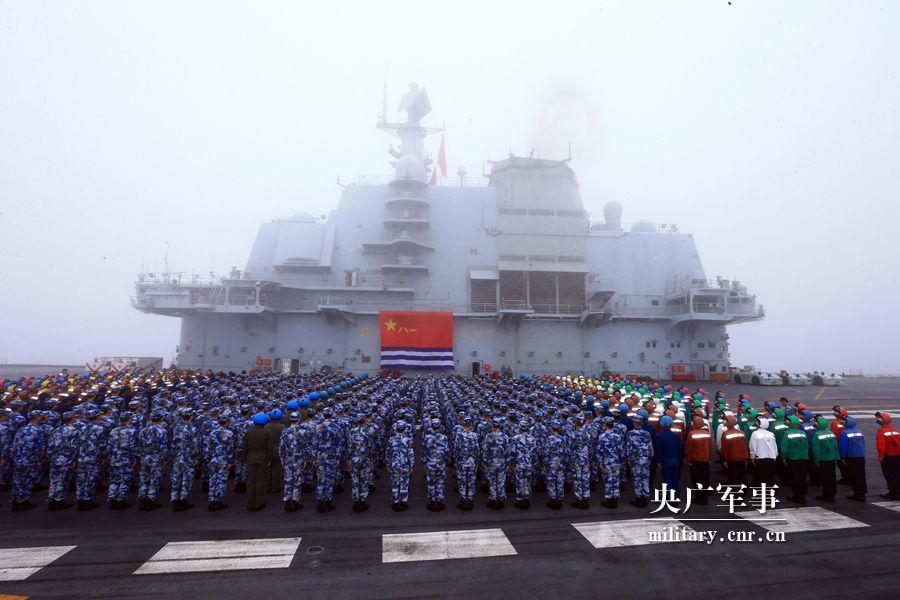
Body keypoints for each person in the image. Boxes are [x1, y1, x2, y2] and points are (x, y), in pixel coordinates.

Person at [11, 412, 47, 511]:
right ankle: (23, 501)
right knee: (27, 482)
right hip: (30, 460)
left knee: (17, 481)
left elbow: (14, 446)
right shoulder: (38, 431)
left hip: (18, 460)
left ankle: (15, 501)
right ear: (37, 418)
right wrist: (40, 459)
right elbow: (40, 448)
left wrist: (14, 458)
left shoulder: (20, 429)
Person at [47, 411, 79, 511]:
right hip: (66, 460)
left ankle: (51, 500)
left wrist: (50, 458)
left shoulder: (56, 430)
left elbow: (50, 446)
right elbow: (74, 447)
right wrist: (74, 460)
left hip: (54, 459)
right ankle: (59, 501)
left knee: (53, 481)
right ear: (72, 419)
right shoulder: (74, 430)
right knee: (62, 481)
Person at [138, 409, 168, 511]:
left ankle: (142, 498)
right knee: (154, 480)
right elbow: (163, 447)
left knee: (143, 479)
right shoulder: (162, 431)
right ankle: (150, 500)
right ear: (161, 419)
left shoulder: (143, 431)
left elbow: (140, 445)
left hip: (144, 458)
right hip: (156, 458)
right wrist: (164, 460)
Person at [106, 412, 138, 510]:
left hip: (114, 458)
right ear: (129, 419)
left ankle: (112, 498)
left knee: (114, 479)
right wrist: (135, 458)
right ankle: (120, 500)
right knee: (125, 479)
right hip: (125, 458)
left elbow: (109, 446)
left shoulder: (113, 431)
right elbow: (132, 446)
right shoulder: (132, 431)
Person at [75, 408, 104, 511]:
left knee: (81, 480)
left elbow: (77, 443)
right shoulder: (100, 429)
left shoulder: (82, 428)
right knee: (90, 479)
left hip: (81, 457)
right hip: (93, 458)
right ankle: (87, 500)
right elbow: (102, 445)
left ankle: (79, 500)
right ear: (97, 416)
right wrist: (104, 457)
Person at [170, 409, 198, 512]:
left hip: (177, 456)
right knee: (186, 479)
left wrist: (172, 456)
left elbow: (173, 444)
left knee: (176, 478)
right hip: (188, 457)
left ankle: (174, 500)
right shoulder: (192, 429)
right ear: (191, 417)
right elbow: (194, 446)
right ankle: (183, 500)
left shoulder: (176, 428)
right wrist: (195, 458)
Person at [243, 412, 271, 512]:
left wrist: (244, 459)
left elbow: (244, 447)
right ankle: (258, 503)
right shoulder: (267, 432)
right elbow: (269, 448)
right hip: (262, 458)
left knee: (250, 481)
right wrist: (269, 459)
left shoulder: (248, 432)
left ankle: (250, 503)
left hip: (250, 458)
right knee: (259, 481)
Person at [207, 412, 234, 511]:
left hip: (213, 459)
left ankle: (211, 500)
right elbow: (230, 449)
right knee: (221, 480)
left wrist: (208, 460)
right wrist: (230, 462)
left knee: (212, 480)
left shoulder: (212, 433)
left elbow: (208, 448)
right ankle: (217, 501)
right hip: (223, 459)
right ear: (226, 422)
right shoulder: (229, 433)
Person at [315, 408, 340, 513]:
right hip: (331, 457)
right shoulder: (336, 427)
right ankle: (328, 502)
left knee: (321, 479)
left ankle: (320, 502)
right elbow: (338, 444)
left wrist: (314, 457)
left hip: (320, 456)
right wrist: (338, 458)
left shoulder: (318, 427)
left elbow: (314, 443)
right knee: (329, 480)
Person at [626, 412, 654, 508]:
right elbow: (650, 446)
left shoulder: (630, 433)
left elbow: (629, 448)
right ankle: (645, 497)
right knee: (645, 478)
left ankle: (638, 498)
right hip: (646, 459)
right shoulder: (647, 434)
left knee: (637, 479)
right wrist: (650, 456)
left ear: (634, 423)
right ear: (642, 423)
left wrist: (629, 459)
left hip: (636, 460)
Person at [810, 415, 840, 503]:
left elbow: (816, 450)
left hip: (823, 459)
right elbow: (835, 446)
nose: (814, 423)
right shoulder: (831, 433)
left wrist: (816, 460)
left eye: (816, 422)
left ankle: (827, 495)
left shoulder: (816, 434)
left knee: (825, 478)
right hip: (832, 458)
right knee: (832, 477)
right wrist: (836, 456)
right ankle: (832, 493)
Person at [781, 416, 810, 504]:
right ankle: (803, 495)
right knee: (803, 477)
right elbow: (806, 446)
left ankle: (797, 496)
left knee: (795, 477)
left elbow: (784, 448)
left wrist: (784, 457)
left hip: (793, 458)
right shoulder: (803, 433)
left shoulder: (787, 433)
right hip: (803, 458)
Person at [684, 415, 712, 505]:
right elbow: (710, 448)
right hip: (706, 461)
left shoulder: (691, 434)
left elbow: (689, 449)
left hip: (696, 461)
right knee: (705, 480)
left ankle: (698, 498)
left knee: (697, 480)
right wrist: (709, 458)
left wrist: (689, 460)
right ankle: (705, 498)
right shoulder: (707, 434)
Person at [387, 420, 414, 511]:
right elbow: (410, 454)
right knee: (404, 484)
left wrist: (388, 464)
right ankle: (402, 501)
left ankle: (395, 501)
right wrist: (412, 465)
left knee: (395, 483)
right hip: (405, 465)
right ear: (404, 429)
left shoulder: (391, 439)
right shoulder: (408, 440)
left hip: (394, 465)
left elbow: (388, 453)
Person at [423, 419, 449, 511]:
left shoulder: (427, 438)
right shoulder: (444, 438)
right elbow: (447, 452)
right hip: (441, 464)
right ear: (439, 426)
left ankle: (432, 500)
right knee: (440, 483)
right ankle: (439, 500)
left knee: (431, 483)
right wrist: (447, 463)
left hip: (430, 464)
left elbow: (424, 451)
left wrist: (424, 463)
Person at [453, 416, 479, 511]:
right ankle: (470, 500)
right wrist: (477, 461)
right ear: (471, 424)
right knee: (471, 482)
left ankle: (463, 500)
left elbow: (456, 449)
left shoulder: (459, 435)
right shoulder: (475, 435)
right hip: (472, 462)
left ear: (463, 424)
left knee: (462, 482)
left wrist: (455, 461)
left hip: (462, 462)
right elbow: (477, 450)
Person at [655, 415, 683, 502]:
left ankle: (669, 497)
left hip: (665, 460)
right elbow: (680, 448)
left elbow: (659, 450)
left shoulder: (660, 436)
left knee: (667, 479)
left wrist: (658, 461)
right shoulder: (676, 435)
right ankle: (675, 496)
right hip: (675, 459)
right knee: (675, 479)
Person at [839, 416, 867, 501]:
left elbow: (843, 447)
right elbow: (863, 443)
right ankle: (863, 491)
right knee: (861, 475)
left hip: (851, 457)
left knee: (854, 476)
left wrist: (842, 457)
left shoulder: (844, 433)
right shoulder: (859, 432)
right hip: (861, 457)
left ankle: (858, 494)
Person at [598, 416, 623, 509]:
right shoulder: (618, 436)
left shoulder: (602, 436)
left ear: (605, 424)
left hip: (607, 462)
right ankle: (615, 500)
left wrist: (600, 463)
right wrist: (621, 461)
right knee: (616, 480)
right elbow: (621, 450)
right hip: (616, 462)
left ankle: (609, 500)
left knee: (608, 481)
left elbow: (600, 451)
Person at [511, 418, 536, 509]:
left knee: (519, 482)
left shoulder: (515, 438)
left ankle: (520, 500)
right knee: (527, 482)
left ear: (520, 428)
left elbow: (513, 452)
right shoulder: (532, 439)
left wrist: (512, 464)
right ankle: (526, 499)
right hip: (528, 464)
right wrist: (534, 464)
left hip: (519, 464)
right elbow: (534, 453)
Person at [568, 414, 592, 509]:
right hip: (585, 459)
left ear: (576, 423)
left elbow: (570, 448)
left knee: (578, 479)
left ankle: (579, 499)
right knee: (585, 478)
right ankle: (586, 498)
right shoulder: (587, 434)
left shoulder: (573, 434)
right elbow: (590, 448)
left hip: (576, 460)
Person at [348, 415, 371, 512]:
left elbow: (349, 447)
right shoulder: (368, 432)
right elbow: (370, 447)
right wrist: (370, 459)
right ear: (364, 420)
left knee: (355, 481)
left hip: (354, 459)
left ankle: (356, 500)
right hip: (364, 459)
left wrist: (349, 459)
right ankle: (362, 500)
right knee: (364, 480)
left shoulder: (352, 432)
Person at [876, 413, 900, 500]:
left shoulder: (881, 432)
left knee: (889, 475)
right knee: (897, 474)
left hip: (888, 457)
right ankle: (898, 491)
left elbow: (880, 446)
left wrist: (880, 457)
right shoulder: (895, 431)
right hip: (898, 457)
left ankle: (893, 493)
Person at [545, 421, 568, 510]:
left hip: (552, 464)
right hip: (561, 463)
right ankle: (559, 501)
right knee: (560, 482)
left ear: (552, 428)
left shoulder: (549, 439)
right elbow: (566, 452)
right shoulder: (563, 439)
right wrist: (565, 462)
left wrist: (545, 464)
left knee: (551, 482)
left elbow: (546, 453)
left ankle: (553, 500)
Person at [720, 415, 750, 485]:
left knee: (733, 477)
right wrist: (746, 459)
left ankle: (735, 493)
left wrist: (724, 460)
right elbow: (745, 447)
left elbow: (725, 449)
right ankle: (743, 492)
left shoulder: (725, 434)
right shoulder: (742, 433)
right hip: (742, 459)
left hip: (732, 459)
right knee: (742, 476)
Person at [748, 416, 777, 486]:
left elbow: (752, 447)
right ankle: (772, 491)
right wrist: (775, 456)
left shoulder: (755, 434)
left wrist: (752, 457)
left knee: (761, 477)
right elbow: (774, 447)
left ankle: (763, 492)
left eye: (758, 422)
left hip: (760, 458)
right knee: (770, 476)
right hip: (771, 458)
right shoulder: (771, 434)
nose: (756, 423)